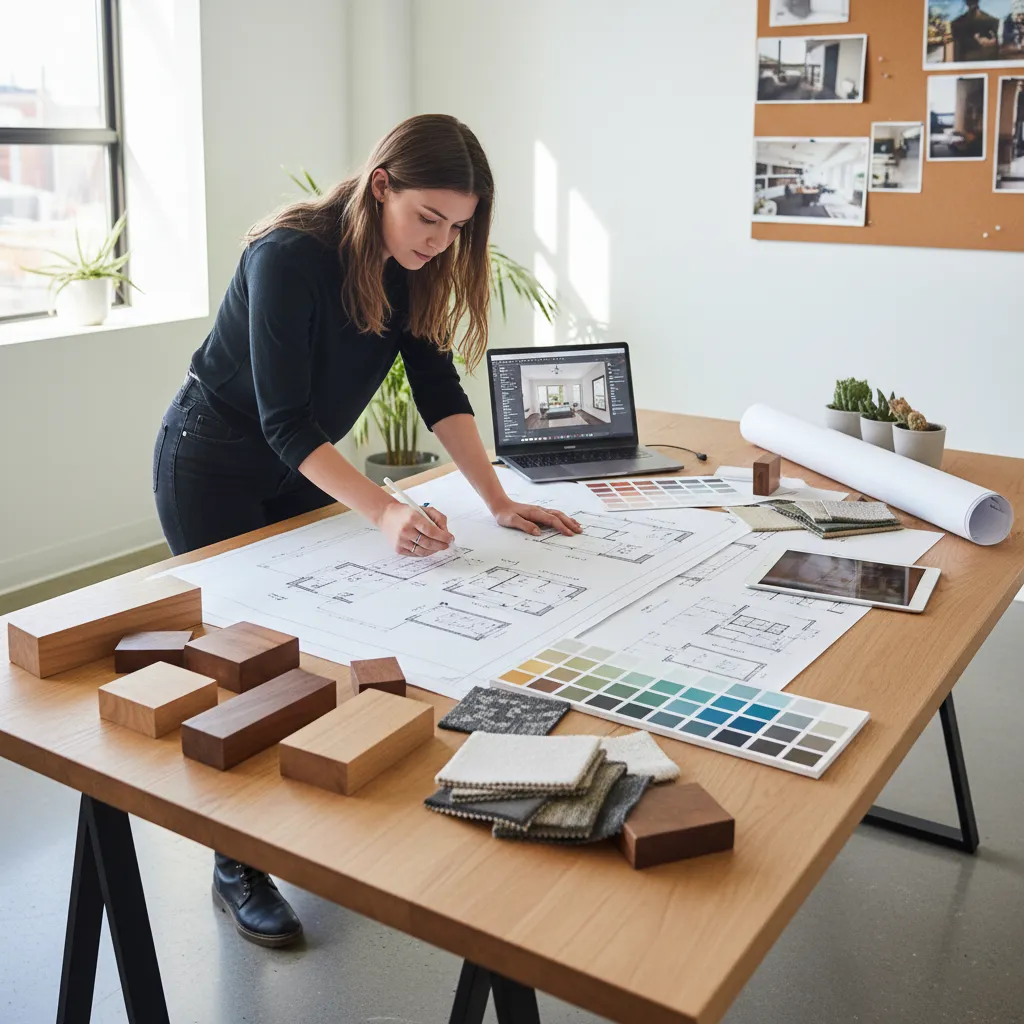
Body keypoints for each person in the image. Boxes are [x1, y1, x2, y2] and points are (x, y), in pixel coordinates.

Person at [153, 114, 581, 948]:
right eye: (429, 218)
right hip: (210, 463)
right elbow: (283, 418)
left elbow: (438, 389)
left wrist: (497, 500)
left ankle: (296, 819)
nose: (440, 241)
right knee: (247, 663)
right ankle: (235, 863)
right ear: (382, 185)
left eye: (458, 228)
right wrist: (383, 509)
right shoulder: (287, 256)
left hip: (298, 467)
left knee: (314, 643)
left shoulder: (415, 266)